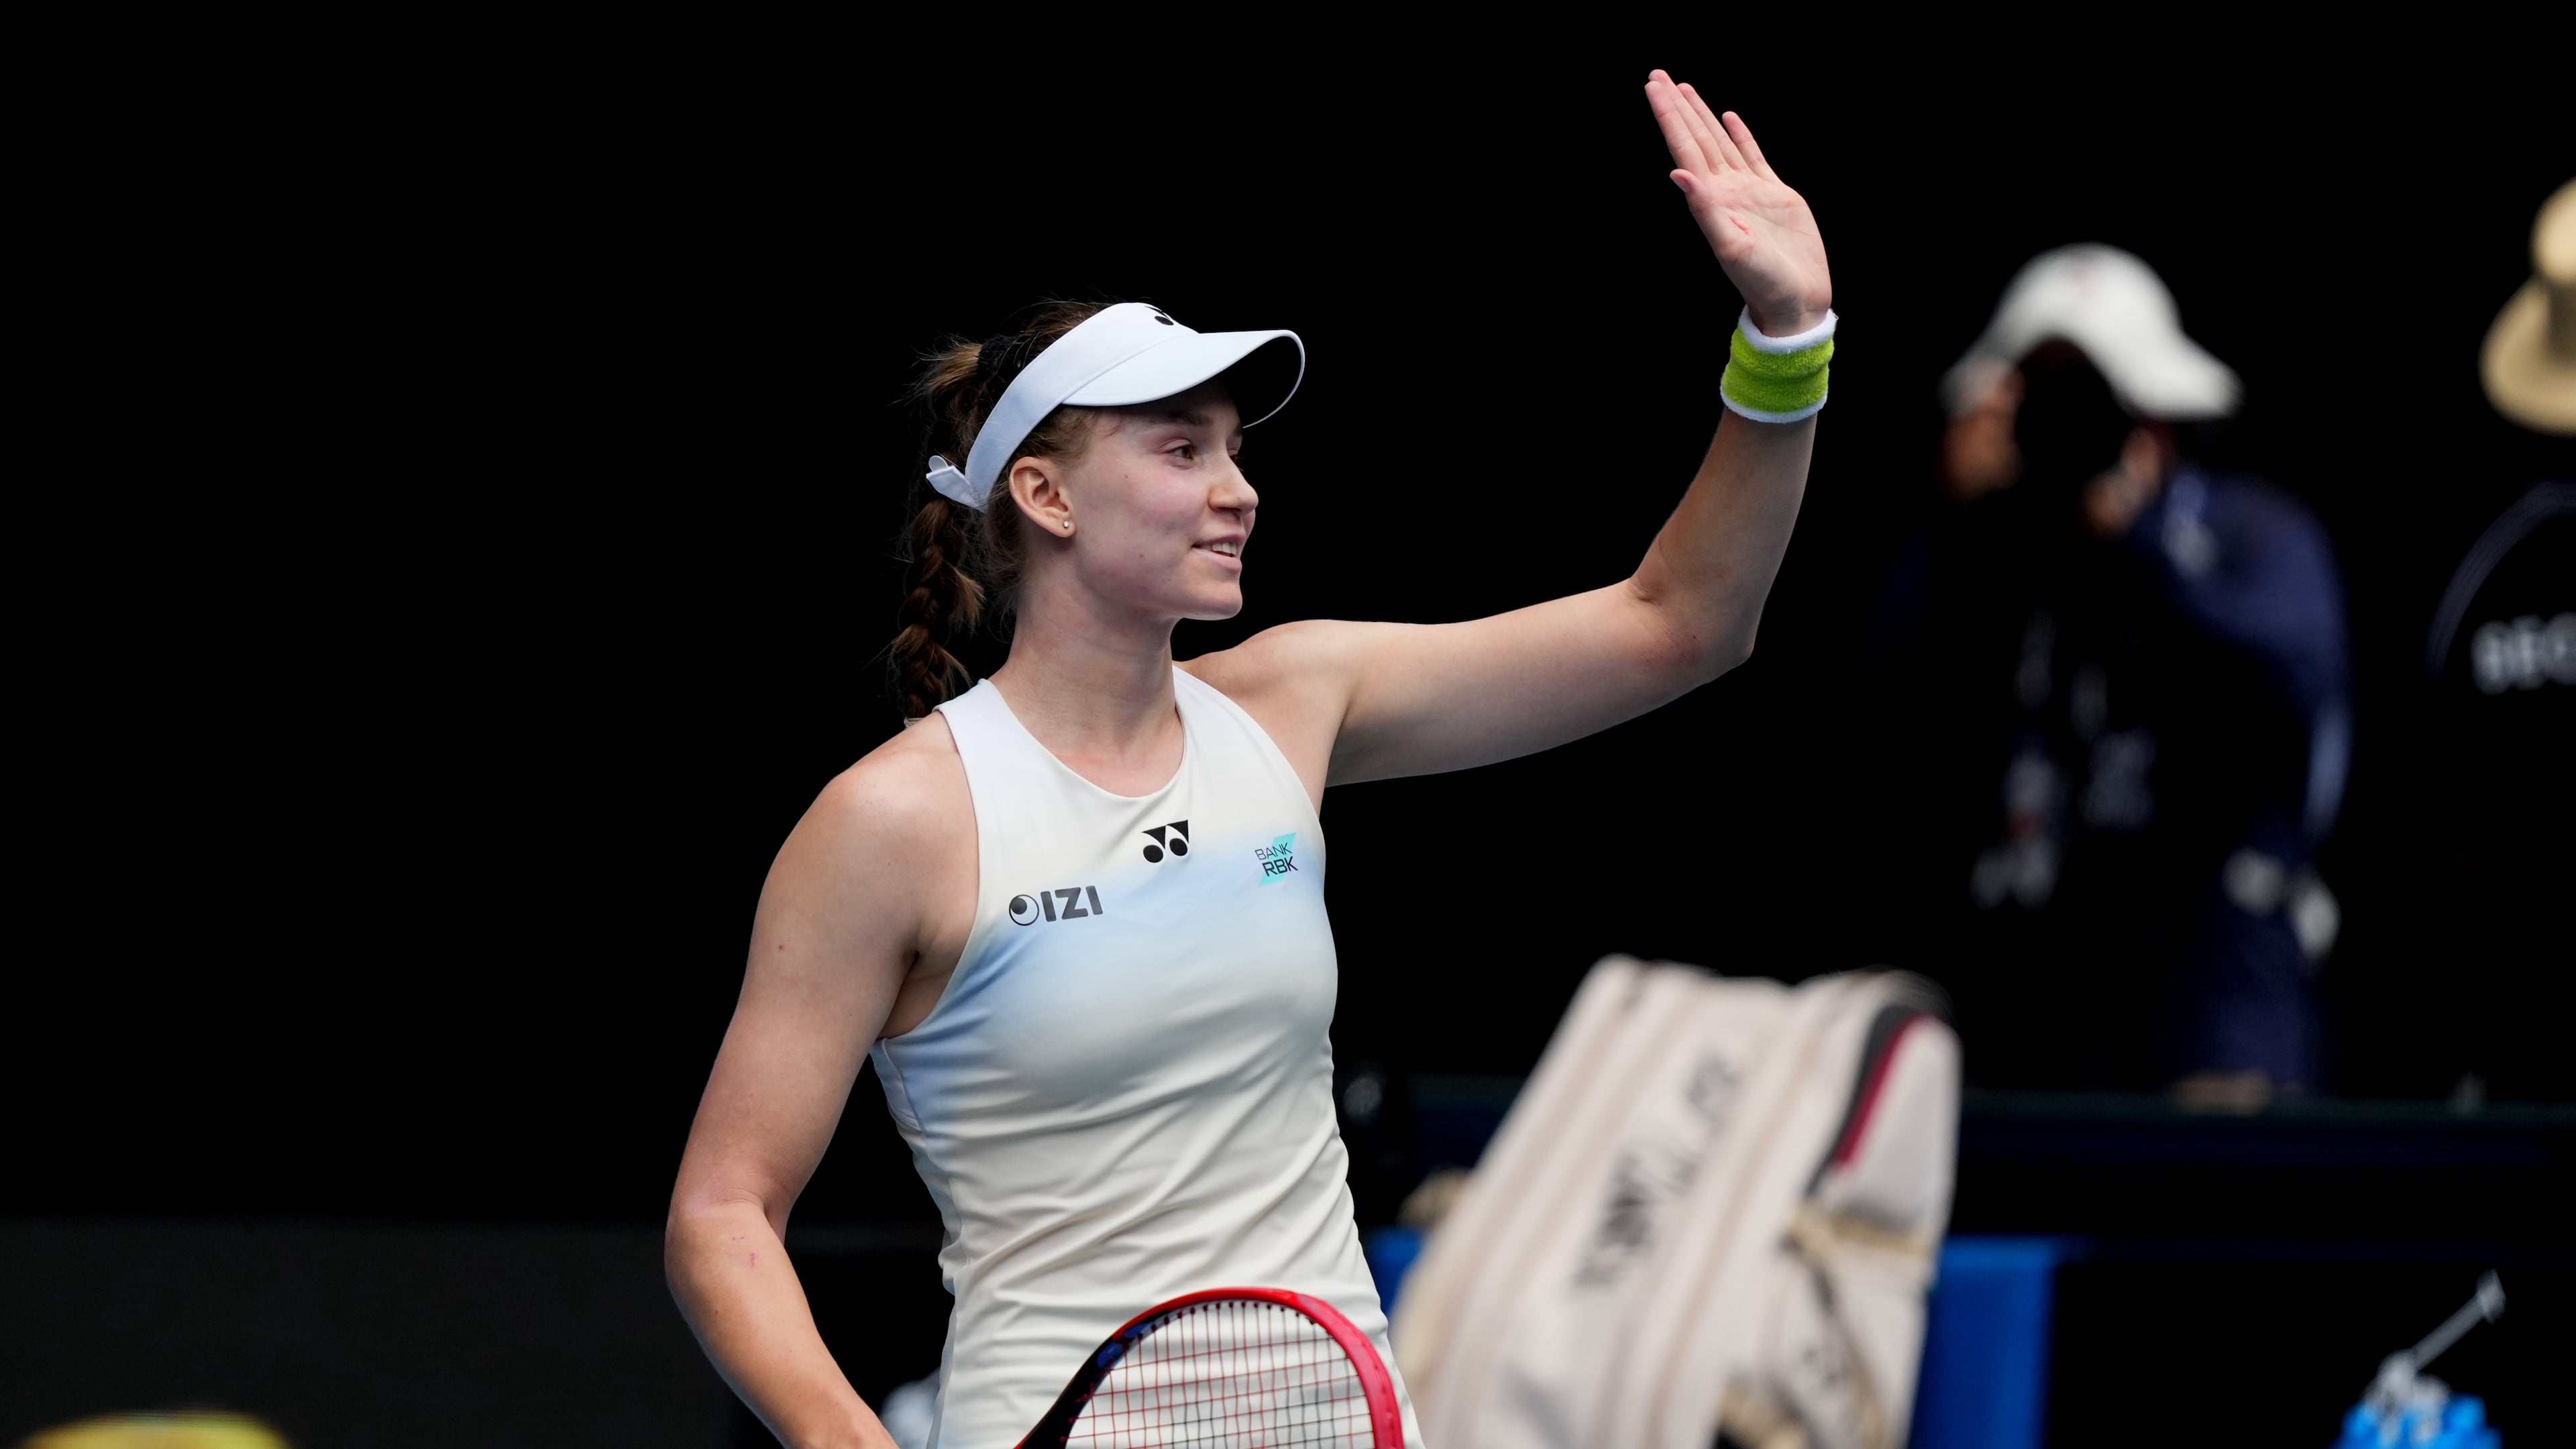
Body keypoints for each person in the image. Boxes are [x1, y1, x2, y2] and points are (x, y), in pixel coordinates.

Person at [663, 72, 1837, 1448]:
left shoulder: (1294, 700)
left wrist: (1787, 337)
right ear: (1042, 495)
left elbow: (1682, 623)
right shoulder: (898, 821)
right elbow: (723, 1211)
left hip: (1342, 1414)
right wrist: (845, 1438)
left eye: (1235, 446)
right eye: (1181, 448)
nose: (1240, 486)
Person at [1872, 246, 2351, 1103]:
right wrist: (1952, 526)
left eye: (2094, 402)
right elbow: (1876, 719)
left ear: (2157, 417)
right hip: (2028, 1015)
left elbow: (2296, 685)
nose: (2065, 427)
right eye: (2038, 400)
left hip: (2217, 1014)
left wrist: (2140, 545)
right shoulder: (1993, 555)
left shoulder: (2247, 533)